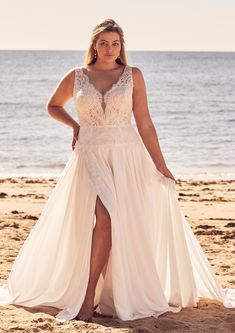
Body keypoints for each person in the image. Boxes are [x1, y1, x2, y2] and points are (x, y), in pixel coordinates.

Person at [0, 18, 233, 323]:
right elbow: (53, 106)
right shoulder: (77, 75)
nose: (109, 49)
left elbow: (145, 123)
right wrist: (75, 127)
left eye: (115, 43)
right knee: (106, 218)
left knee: (115, 223)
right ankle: (85, 298)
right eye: (103, 43)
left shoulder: (133, 76)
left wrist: (161, 166)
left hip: (126, 156)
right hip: (89, 155)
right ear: (93, 46)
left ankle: (106, 293)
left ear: (122, 46)